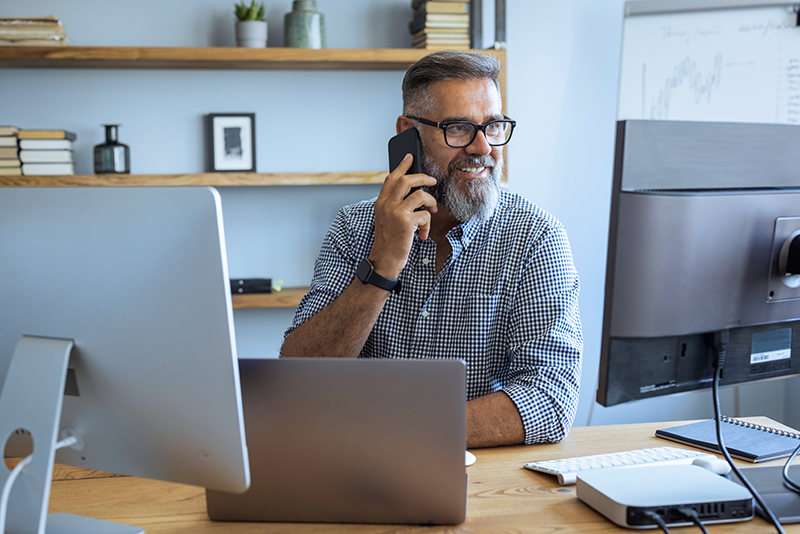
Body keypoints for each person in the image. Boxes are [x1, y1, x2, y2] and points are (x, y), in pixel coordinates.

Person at [281, 50, 582, 448]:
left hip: (472, 474)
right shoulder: (353, 227)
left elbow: (551, 398)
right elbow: (298, 379)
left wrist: (399, 432)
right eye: (458, 128)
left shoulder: (536, 237)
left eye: (492, 127)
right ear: (408, 132)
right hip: (351, 470)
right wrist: (383, 264)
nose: (481, 148)